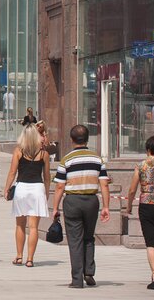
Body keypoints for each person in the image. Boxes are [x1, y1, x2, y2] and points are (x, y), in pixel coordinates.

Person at [51, 124, 111, 289]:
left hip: (72, 201)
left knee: (75, 240)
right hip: (91, 201)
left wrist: (55, 208)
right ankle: (89, 272)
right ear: (87, 139)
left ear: (71, 140)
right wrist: (106, 206)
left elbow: (59, 186)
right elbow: (104, 184)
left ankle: (77, 279)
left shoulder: (67, 159)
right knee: (89, 237)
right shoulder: (97, 159)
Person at [124, 135, 154, 290]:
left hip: (147, 206)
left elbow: (132, 190)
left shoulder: (141, 165)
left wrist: (129, 206)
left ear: (148, 149)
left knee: (150, 242)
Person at [3, 125, 51, 267]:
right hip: (37, 188)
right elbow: (47, 177)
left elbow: (12, 172)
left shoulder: (19, 151)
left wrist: (6, 189)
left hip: (21, 188)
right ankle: (30, 259)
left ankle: (19, 256)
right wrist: (46, 193)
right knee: (34, 227)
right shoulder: (44, 154)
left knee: (20, 225)